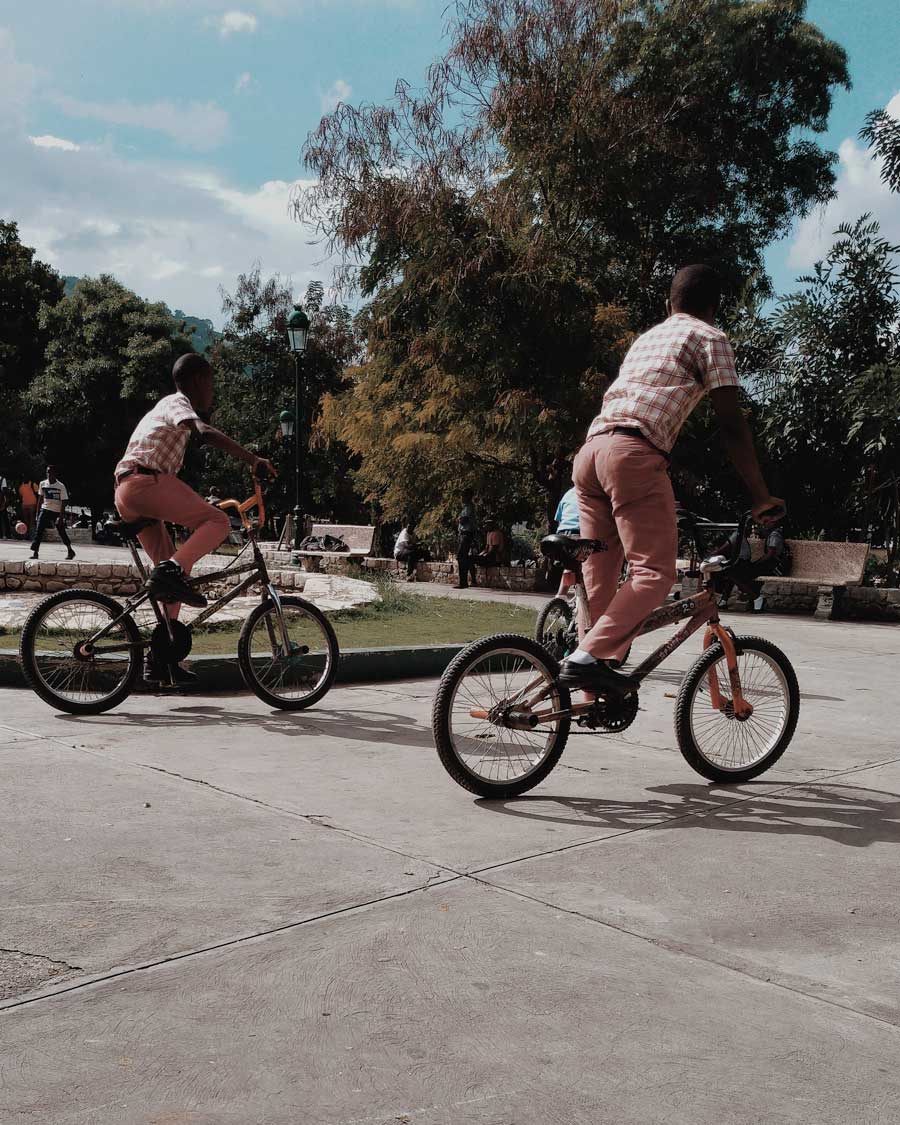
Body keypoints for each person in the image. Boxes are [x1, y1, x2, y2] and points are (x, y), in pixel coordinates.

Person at [560, 264, 784, 695]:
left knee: (601, 581)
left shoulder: (647, 338)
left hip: (589, 455)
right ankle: (583, 660)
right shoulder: (710, 338)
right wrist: (760, 496)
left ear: (669, 304)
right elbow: (732, 426)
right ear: (714, 308)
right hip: (631, 455)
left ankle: (589, 697)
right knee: (654, 575)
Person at [113, 353, 275, 684]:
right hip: (142, 483)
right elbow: (205, 432)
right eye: (211, 383)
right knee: (217, 523)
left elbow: (171, 481)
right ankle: (170, 572)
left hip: (131, 491)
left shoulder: (166, 412)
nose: (212, 392)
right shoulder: (177, 403)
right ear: (199, 380)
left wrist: (203, 501)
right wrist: (252, 458)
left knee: (173, 583)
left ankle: (159, 660)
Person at [716, 520, 790, 612]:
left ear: (773, 523)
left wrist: (757, 562)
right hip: (770, 565)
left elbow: (771, 554)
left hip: (774, 567)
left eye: (767, 522)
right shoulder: (772, 534)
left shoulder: (775, 535)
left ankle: (756, 598)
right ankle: (752, 599)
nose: (764, 524)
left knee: (735, 574)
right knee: (736, 573)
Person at [30, 466, 76, 560]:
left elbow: (63, 502)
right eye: (47, 472)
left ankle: (70, 550)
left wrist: (61, 517)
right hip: (45, 509)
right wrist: (37, 514)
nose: (49, 474)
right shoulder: (42, 484)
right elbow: (40, 499)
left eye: (51, 472)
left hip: (56, 511)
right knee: (39, 531)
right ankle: (35, 552)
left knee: (61, 531)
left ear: (55, 473)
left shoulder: (61, 486)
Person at [454, 489, 478, 589]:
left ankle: (463, 582)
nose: (462, 498)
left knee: (461, 557)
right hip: (463, 534)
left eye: (464, 496)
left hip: (466, 534)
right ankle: (466, 580)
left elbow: (463, 520)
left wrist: (459, 520)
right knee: (463, 557)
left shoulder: (469, 507)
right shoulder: (465, 508)